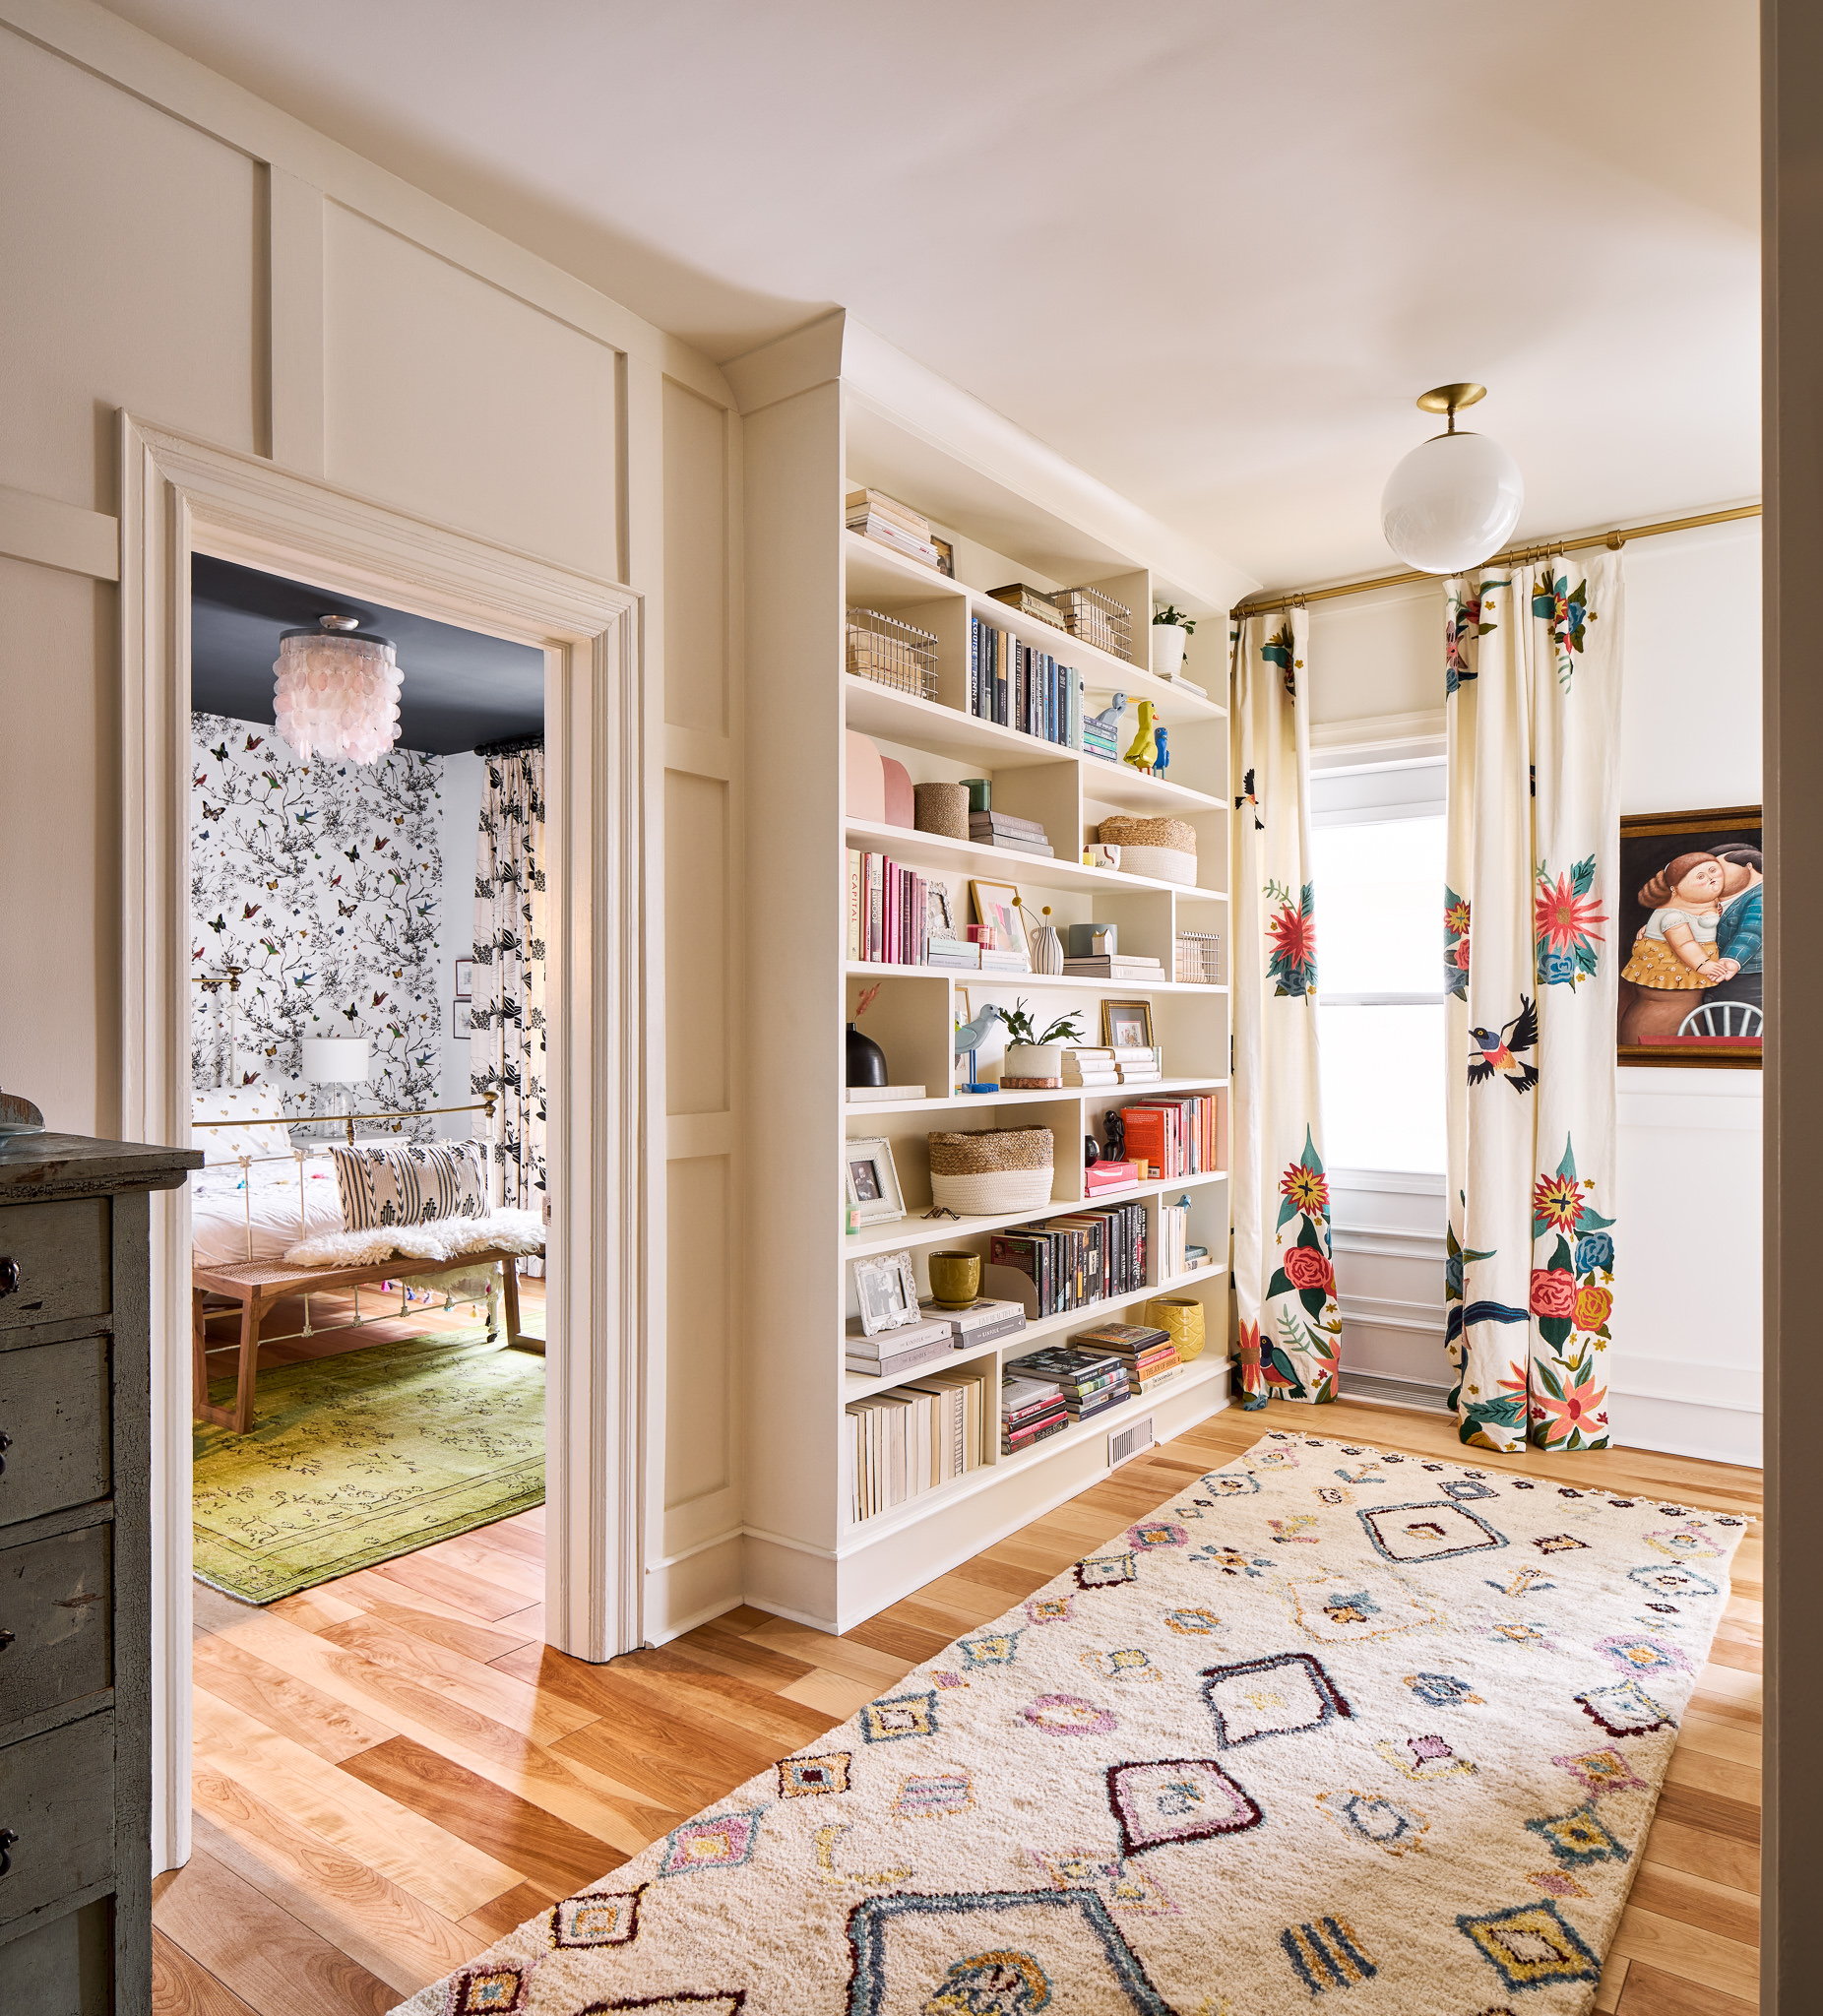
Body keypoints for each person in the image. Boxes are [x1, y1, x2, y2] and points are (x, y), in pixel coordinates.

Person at [1617, 851, 1729, 1043]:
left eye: (1713, 870)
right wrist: (1704, 964)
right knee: (1666, 1013)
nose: (1710, 877)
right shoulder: (1672, 916)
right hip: (1668, 981)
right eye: (1700, 876)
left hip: (1688, 990)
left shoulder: (1700, 903)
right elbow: (1685, 944)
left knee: (1687, 1014)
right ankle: (1637, 1052)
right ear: (1675, 888)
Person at [1704, 843, 1763, 1016]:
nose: (1709, 877)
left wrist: (1731, 959)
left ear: (1749, 866)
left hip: (1748, 983)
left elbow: (1752, 932)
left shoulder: (1761, 896)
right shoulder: (1717, 903)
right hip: (1722, 981)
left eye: (1715, 870)